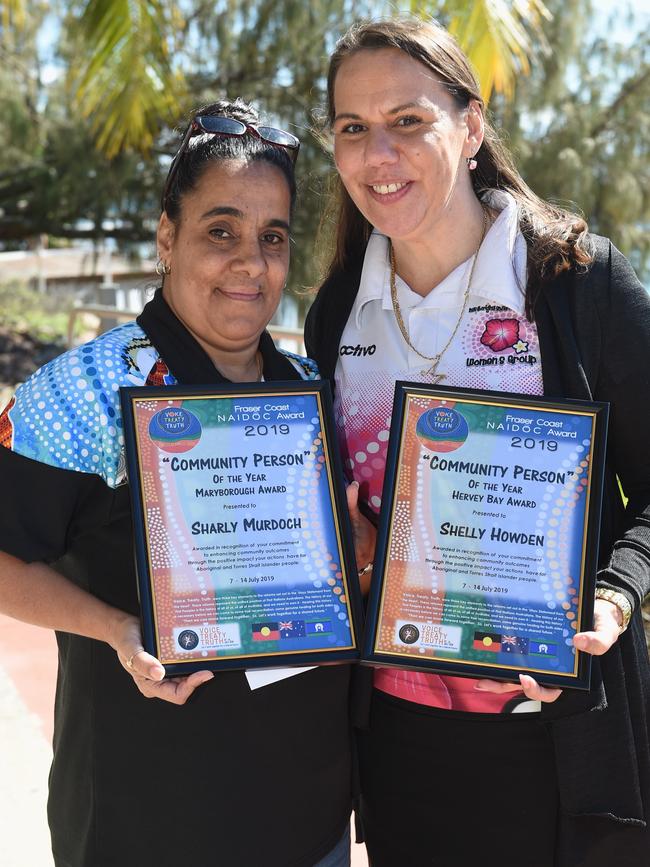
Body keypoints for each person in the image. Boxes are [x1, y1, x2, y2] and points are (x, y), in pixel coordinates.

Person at [305, 17, 650, 867]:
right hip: (396, 743)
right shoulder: (336, 309)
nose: (377, 153)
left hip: (559, 742)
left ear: (471, 126)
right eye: (353, 128)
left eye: (407, 120)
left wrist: (612, 595)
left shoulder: (576, 283)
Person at [0, 99, 352, 867]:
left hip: (309, 815)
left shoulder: (309, 389)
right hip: (144, 820)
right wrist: (117, 630)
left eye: (273, 238)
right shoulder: (81, 393)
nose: (249, 263)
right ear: (167, 235)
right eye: (220, 231)